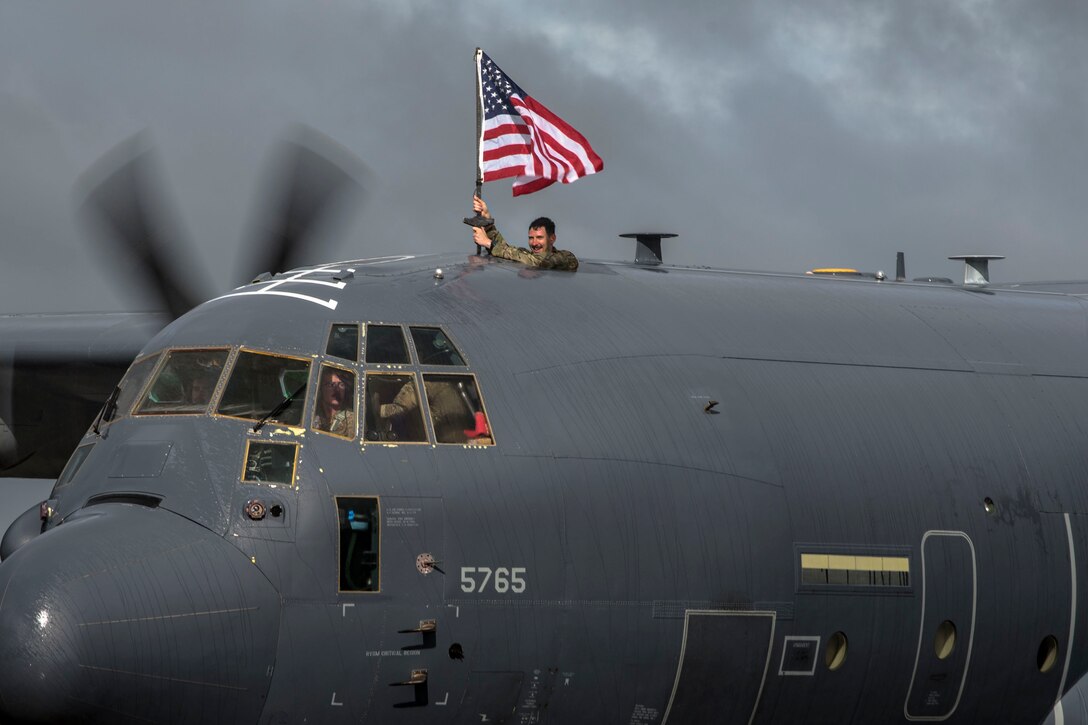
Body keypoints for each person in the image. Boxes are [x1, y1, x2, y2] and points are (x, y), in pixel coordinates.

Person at [470, 195, 578, 271]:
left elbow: (539, 262)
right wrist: (488, 221)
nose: (534, 243)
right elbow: (507, 251)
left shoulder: (565, 258)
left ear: (552, 238)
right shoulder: (526, 255)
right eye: (531, 238)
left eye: (539, 237)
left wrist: (489, 243)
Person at [314, 368, 356, 437]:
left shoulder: (353, 419)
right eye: (331, 384)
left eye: (341, 384)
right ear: (320, 388)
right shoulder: (310, 414)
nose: (337, 389)